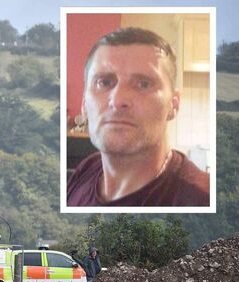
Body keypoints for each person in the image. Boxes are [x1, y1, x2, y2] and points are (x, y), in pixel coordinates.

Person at [67, 27, 209, 206]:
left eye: (143, 84)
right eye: (104, 82)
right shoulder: (86, 169)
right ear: (83, 104)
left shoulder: (203, 200)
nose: (117, 100)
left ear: (174, 104)